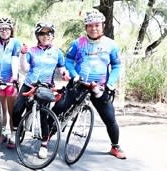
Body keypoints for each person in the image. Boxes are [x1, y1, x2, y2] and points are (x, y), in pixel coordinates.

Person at [52, 10, 126, 159]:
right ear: (86, 27)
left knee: (110, 118)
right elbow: (68, 60)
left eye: (97, 25)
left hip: (99, 87)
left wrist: (111, 84)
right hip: (79, 84)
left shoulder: (111, 45)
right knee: (59, 107)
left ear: (102, 26)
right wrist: (74, 75)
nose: (94, 28)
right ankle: (45, 138)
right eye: (90, 25)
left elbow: (117, 66)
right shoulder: (77, 43)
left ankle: (115, 147)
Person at [12, 22, 70, 158]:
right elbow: (25, 68)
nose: (46, 36)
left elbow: (61, 68)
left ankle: (44, 144)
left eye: (49, 33)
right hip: (29, 84)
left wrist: (65, 74)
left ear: (53, 35)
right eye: (42, 33)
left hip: (45, 86)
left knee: (44, 115)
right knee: (17, 109)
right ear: (37, 36)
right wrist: (22, 55)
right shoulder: (31, 51)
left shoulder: (57, 52)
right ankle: (16, 132)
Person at [0, 17, 22, 147]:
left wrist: (14, 76)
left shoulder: (15, 42)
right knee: (2, 109)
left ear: (11, 30)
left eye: (7, 28)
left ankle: (13, 135)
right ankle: (3, 132)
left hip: (10, 81)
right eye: (1, 29)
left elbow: (15, 59)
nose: (4, 31)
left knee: (12, 110)